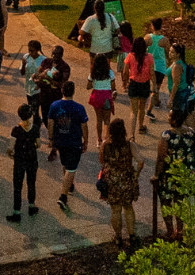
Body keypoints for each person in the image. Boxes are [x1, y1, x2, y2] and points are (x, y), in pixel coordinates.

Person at [154, 106, 195, 240]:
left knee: (166, 202)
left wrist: (156, 175)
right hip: (185, 174)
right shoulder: (191, 133)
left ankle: (169, 231)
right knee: (180, 202)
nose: (167, 118)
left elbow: (161, 157)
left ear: (175, 120)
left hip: (170, 174)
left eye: (170, 116)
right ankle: (179, 230)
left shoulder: (166, 136)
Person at [99, 118, 144, 247]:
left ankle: (118, 237)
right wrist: (136, 174)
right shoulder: (129, 145)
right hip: (127, 179)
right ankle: (132, 235)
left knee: (116, 210)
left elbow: (102, 160)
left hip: (112, 180)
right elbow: (140, 161)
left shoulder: (106, 145)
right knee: (128, 207)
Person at [47, 80, 90, 214]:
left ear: (62, 91)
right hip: (74, 142)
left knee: (65, 164)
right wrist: (86, 141)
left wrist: (51, 139)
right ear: (74, 91)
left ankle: (69, 185)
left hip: (60, 141)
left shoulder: (54, 105)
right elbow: (84, 126)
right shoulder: (79, 108)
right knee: (71, 169)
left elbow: (50, 123)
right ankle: (63, 196)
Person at [7, 102, 41, 222]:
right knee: (31, 183)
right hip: (32, 159)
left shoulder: (16, 130)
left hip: (20, 160)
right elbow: (38, 144)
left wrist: (11, 153)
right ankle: (31, 206)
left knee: (18, 186)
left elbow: (10, 147)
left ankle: (17, 212)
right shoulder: (35, 128)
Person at [121, 36, 155, 135]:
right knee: (142, 107)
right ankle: (141, 126)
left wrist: (125, 82)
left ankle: (132, 134)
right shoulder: (149, 57)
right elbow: (152, 73)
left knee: (133, 111)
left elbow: (125, 71)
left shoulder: (130, 56)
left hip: (134, 84)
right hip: (145, 84)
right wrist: (154, 85)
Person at [86, 52, 116, 143]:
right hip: (106, 96)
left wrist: (94, 84)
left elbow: (88, 86)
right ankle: (106, 139)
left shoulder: (93, 73)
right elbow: (113, 86)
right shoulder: (110, 72)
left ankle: (99, 140)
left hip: (96, 96)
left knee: (98, 119)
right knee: (107, 120)